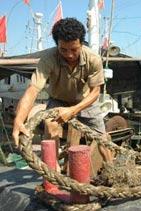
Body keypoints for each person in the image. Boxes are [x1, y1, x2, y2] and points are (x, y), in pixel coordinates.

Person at [12, 18, 113, 170]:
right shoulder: (48, 59)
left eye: (74, 49)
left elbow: (95, 93)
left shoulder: (93, 59)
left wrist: (73, 110)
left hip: (85, 101)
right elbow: (32, 90)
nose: (69, 55)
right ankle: (53, 172)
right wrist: (18, 121)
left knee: (101, 137)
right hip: (58, 100)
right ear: (57, 45)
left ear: (81, 44)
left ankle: (111, 169)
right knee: (50, 125)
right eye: (63, 50)